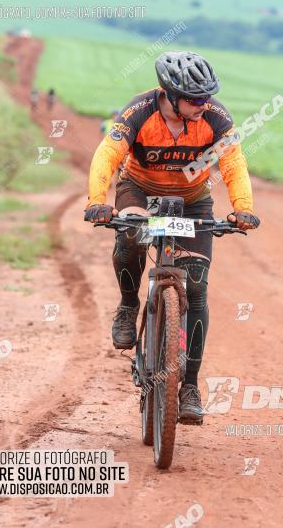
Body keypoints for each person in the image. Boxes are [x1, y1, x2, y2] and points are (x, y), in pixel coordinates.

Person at [84, 51, 260, 423]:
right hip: (139, 191)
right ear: (170, 94)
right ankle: (129, 305)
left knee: (196, 287)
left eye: (207, 97)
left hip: (192, 201)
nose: (203, 105)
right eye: (195, 99)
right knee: (131, 233)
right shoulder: (139, 111)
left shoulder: (215, 117)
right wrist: (98, 201)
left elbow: (233, 162)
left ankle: (191, 386)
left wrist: (242, 207)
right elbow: (108, 154)